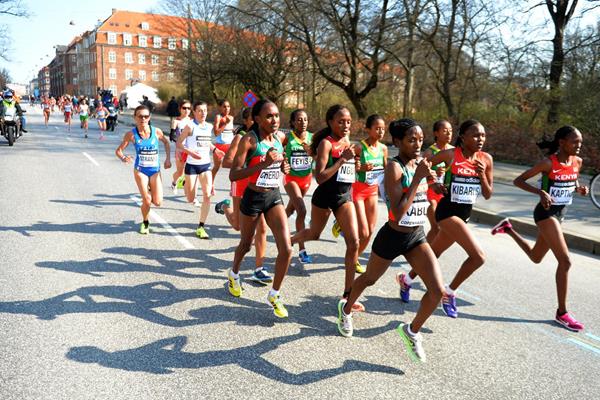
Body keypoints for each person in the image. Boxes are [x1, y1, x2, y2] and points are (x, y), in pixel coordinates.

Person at [337, 118, 444, 363]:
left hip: (416, 235)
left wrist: (436, 184)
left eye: (420, 139)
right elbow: (397, 210)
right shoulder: (394, 168)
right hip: (393, 236)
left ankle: (412, 331)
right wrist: (418, 178)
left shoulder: (420, 163)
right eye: (411, 140)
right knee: (369, 279)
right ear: (397, 142)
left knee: (436, 291)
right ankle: (345, 309)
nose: (417, 144)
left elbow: (426, 193)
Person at [491, 126, 588, 332]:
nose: (578, 145)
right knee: (565, 261)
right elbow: (518, 180)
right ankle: (562, 313)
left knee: (536, 257)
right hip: (545, 214)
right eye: (574, 141)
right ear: (561, 142)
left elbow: (572, 179)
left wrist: (579, 188)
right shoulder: (548, 163)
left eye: (580, 142)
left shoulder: (577, 162)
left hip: (560, 214)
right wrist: (540, 192)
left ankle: (508, 228)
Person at [396, 119, 493, 318]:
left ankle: (406, 278)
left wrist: (482, 176)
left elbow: (488, 194)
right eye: (475, 135)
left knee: (434, 253)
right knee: (478, 257)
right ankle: (449, 292)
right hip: (446, 213)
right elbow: (422, 165)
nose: (480, 139)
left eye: (483, 135)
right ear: (463, 137)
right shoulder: (451, 155)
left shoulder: (486, 159)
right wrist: (432, 183)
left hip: (464, 215)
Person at [291, 105, 364, 312]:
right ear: (331, 122)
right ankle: (288, 241)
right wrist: (342, 160)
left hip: (343, 197)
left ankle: (348, 295)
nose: (345, 125)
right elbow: (320, 177)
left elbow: (348, 172)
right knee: (313, 234)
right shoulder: (326, 144)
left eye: (348, 121)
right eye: (341, 121)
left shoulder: (348, 142)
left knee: (354, 242)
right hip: (325, 196)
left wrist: (354, 166)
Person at [228, 99, 292, 318]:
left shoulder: (280, 138)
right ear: (257, 119)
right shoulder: (249, 140)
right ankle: (234, 273)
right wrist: (262, 164)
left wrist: (283, 165)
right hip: (253, 197)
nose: (274, 120)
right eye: (269, 116)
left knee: (287, 248)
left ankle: (274, 294)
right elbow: (234, 174)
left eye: (276, 116)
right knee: (246, 244)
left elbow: (280, 162)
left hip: (273, 196)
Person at [215, 107, 270, 283]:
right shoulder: (242, 138)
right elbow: (227, 162)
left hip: (258, 187)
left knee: (261, 228)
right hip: (241, 184)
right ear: (248, 121)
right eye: (254, 120)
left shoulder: (265, 139)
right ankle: (225, 206)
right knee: (239, 227)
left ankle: (259, 268)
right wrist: (248, 163)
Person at [114, 105, 171, 234]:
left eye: (146, 116)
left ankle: (150, 188)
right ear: (135, 118)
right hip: (140, 170)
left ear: (149, 117)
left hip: (155, 171)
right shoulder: (131, 135)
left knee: (158, 202)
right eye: (140, 116)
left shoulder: (156, 132)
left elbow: (167, 143)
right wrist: (123, 158)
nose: (143, 119)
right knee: (147, 200)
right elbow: (118, 151)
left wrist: (168, 159)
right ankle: (145, 222)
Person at [176, 101, 224, 239]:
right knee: (191, 198)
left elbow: (206, 142)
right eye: (200, 110)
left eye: (205, 110)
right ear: (194, 112)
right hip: (191, 165)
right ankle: (184, 180)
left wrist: (216, 149)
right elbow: (179, 143)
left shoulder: (208, 127)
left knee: (207, 195)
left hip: (205, 165)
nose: (203, 113)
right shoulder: (190, 126)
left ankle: (201, 227)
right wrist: (190, 152)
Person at [351, 114, 388, 272]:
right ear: (368, 129)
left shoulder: (384, 149)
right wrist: (360, 168)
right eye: (377, 128)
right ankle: (342, 220)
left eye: (383, 129)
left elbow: (387, 170)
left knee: (370, 232)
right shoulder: (359, 147)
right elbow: (349, 167)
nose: (380, 132)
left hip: (373, 192)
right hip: (358, 191)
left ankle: (354, 259)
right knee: (364, 231)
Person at [282, 109, 314, 264]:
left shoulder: (312, 138)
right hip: (291, 179)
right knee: (301, 209)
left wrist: (312, 152)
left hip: (306, 178)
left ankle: (268, 223)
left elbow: (320, 156)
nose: (303, 123)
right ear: (293, 122)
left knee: (290, 210)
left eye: (305, 119)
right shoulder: (287, 139)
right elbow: (276, 150)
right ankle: (301, 250)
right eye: (299, 120)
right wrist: (283, 162)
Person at [423, 120, 454, 242]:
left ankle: (422, 250)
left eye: (450, 131)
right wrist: (433, 175)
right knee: (436, 226)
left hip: (445, 193)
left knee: (441, 229)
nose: (449, 134)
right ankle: (426, 255)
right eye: (445, 131)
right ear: (436, 133)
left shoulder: (453, 151)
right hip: (430, 192)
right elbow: (420, 175)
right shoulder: (429, 152)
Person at [170, 100, 193, 194]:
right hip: (181, 150)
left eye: (188, 108)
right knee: (180, 172)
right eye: (184, 108)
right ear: (180, 109)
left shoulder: (193, 121)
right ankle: (174, 182)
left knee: (191, 171)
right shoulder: (176, 121)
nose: (186, 110)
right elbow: (172, 137)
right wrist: (179, 146)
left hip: (191, 150)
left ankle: (190, 192)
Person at [211, 99, 234, 191]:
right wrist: (225, 123)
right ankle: (211, 185)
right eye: (224, 106)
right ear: (220, 107)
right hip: (220, 146)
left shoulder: (231, 117)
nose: (227, 108)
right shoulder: (218, 117)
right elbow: (216, 133)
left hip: (230, 146)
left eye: (228, 106)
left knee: (234, 166)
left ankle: (234, 186)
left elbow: (230, 131)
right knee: (216, 167)